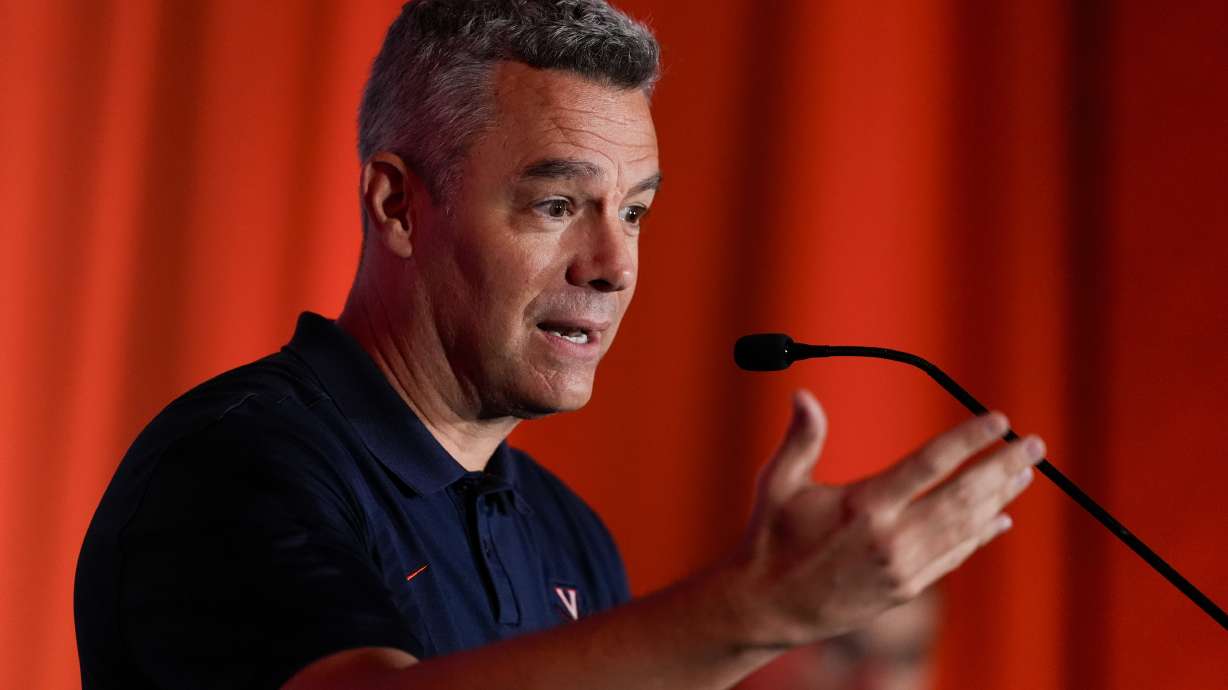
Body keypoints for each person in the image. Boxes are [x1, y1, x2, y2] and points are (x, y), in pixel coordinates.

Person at [74, 1, 1046, 688]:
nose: (614, 264)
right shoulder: (232, 467)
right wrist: (762, 612)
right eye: (555, 205)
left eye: (634, 212)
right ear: (398, 204)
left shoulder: (567, 534)